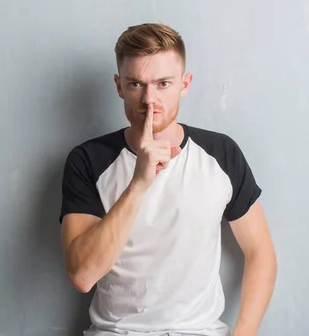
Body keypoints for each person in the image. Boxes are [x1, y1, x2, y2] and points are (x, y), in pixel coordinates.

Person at [58, 23, 277, 336]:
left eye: (163, 83)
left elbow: (260, 253)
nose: (149, 99)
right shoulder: (88, 160)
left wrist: (245, 331)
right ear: (119, 86)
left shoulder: (221, 153)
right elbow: (82, 276)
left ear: (184, 84)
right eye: (136, 84)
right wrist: (138, 185)